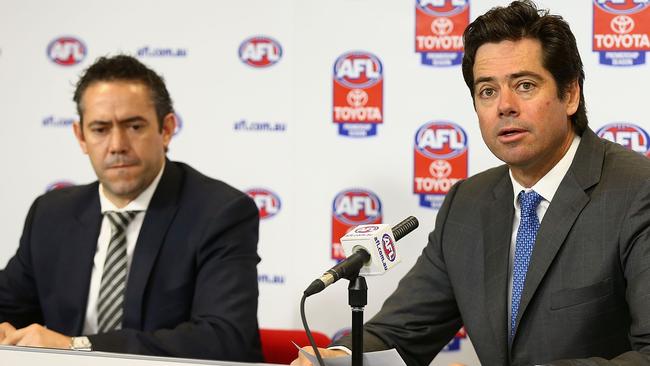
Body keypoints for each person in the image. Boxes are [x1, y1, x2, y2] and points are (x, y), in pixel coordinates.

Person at [293, 1, 650, 365]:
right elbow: (402, 332)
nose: (505, 106)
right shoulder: (468, 202)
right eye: (487, 91)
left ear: (570, 93)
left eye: (525, 85)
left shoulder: (637, 192)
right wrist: (336, 357)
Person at [0, 55, 263, 362]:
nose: (117, 145)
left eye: (134, 126)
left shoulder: (220, 213)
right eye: (100, 129)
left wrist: (77, 347)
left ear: (166, 129)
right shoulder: (51, 214)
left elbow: (224, 338)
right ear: (80, 136)